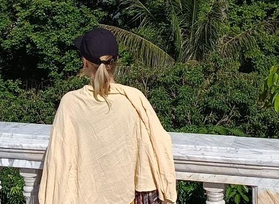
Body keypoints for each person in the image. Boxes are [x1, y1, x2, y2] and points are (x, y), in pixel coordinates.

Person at [38, 27, 177, 204]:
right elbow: (158, 144)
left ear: (85, 62)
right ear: (115, 62)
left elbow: (59, 162)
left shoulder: (71, 103)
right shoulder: (134, 99)